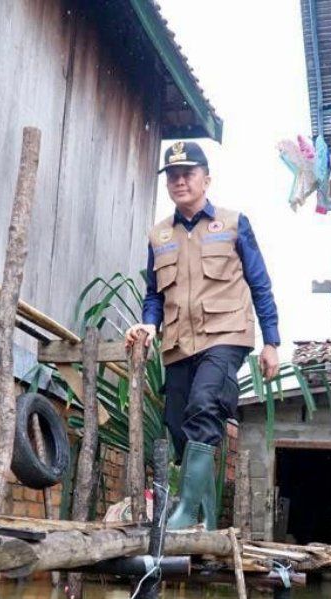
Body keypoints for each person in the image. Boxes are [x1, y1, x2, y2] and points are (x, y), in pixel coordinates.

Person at [125, 141, 281, 531]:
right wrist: (148, 322)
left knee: (204, 406)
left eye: (188, 173)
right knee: (180, 426)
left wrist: (272, 342)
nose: (180, 181)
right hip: (178, 343)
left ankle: (183, 513)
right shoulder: (158, 235)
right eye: (172, 176)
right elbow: (153, 295)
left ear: (206, 179)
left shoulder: (232, 223)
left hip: (226, 333)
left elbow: (260, 285)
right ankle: (208, 521)